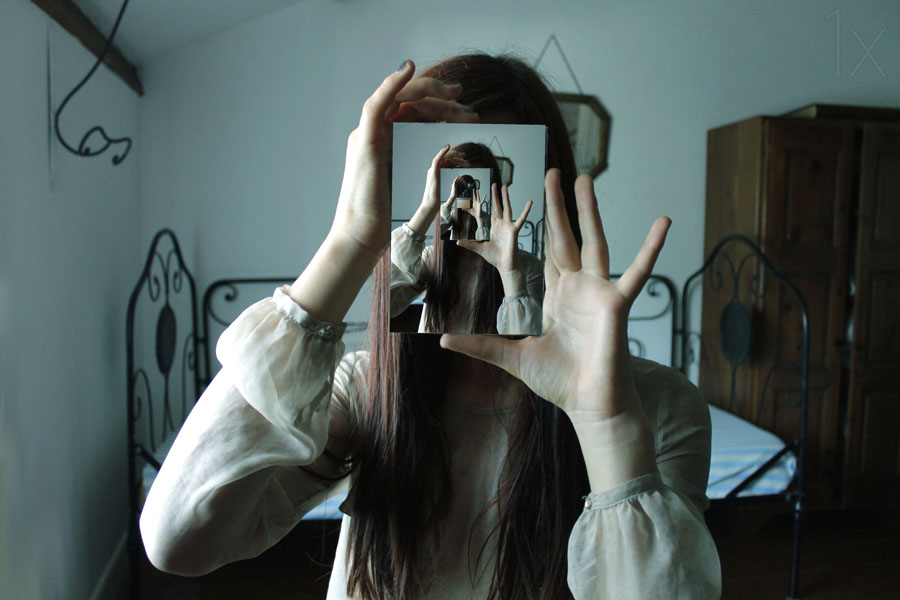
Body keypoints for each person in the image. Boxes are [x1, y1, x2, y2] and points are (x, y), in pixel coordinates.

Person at [140, 53, 721, 599]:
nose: (473, 205)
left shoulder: (657, 407)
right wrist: (351, 240)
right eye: (457, 183)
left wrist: (607, 426)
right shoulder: (368, 389)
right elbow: (178, 540)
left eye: (495, 184)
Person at [390, 142, 542, 335]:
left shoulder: (526, 266)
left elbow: (526, 342)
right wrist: (428, 207)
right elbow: (387, 306)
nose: (469, 195)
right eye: (463, 188)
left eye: (476, 186)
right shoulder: (433, 258)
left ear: (493, 192)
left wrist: (510, 273)